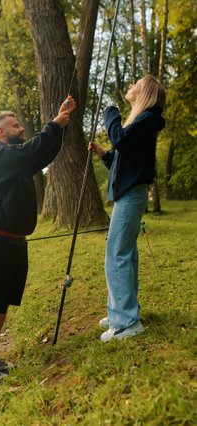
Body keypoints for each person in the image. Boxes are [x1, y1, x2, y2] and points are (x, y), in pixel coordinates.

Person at [0, 95, 76, 386]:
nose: (20, 129)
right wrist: (53, 123)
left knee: (1, 303)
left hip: (15, 242)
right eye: (14, 126)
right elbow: (32, 151)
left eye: (20, 125)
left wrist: (61, 124)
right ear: (1, 132)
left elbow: (41, 153)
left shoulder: (18, 161)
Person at [90, 75, 165, 342]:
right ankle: (121, 311)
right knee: (124, 253)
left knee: (117, 255)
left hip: (131, 197)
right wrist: (103, 154)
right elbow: (124, 163)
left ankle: (126, 322)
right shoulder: (142, 122)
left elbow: (119, 140)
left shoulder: (145, 119)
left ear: (144, 92)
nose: (130, 85)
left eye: (136, 83)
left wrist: (110, 111)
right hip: (129, 195)